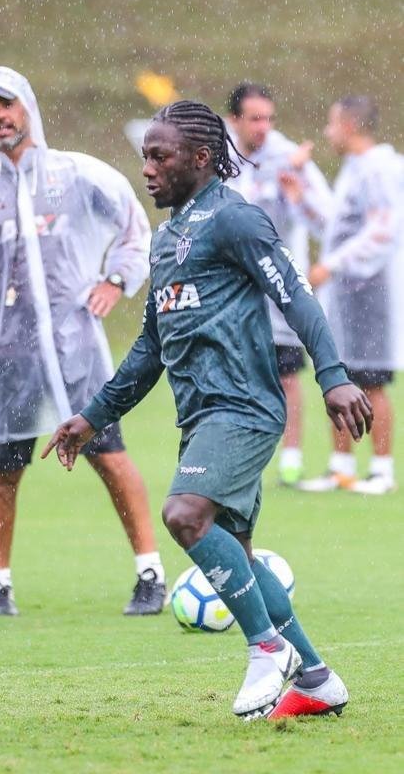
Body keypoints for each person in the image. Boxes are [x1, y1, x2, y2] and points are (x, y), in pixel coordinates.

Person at [41, 100, 372, 719]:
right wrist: (91, 417)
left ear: (200, 158)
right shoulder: (166, 240)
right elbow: (149, 349)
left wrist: (332, 377)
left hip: (243, 407)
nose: (147, 169)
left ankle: (266, 649)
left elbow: (295, 297)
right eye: (144, 156)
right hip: (201, 417)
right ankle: (319, 680)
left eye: (160, 156)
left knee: (185, 514)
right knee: (236, 552)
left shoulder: (236, 219)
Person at [0, 66, 167, 617]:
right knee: (3, 467)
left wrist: (117, 279)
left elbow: (134, 228)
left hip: (76, 348)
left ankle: (150, 573)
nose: (0, 117)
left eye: (8, 105)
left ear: (27, 107)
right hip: (5, 355)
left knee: (109, 455)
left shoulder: (75, 175)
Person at [280, 96, 403, 495]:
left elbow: (383, 231)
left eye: (332, 124)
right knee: (341, 376)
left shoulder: (381, 168)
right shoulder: (355, 169)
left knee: (372, 380)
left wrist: (333, 266)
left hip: (372, 292)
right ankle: (341, 467)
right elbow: (336, 227)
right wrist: (301, 199)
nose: (328, 133)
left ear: (350, 126)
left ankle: (381, 469)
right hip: (345, 297)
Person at [226, 82, 332, 487]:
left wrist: (297, 193)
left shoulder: (290, 157)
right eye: (254, 118)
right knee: (236, 372)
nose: (263, 127)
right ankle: (239, 456)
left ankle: (290, 457)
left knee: (286, 374)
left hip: (279, 288)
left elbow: (327, 220)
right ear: (234, 120)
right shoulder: (220, 157)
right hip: (234, 287)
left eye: (269, 118)